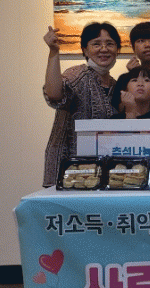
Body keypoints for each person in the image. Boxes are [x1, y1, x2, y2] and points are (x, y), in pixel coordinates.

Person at [43, 22, 121, 187]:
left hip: (100, 170)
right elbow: (54, 94)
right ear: (85, 50)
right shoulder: (77, 75)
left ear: (117, 50)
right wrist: (54, 52)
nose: (104, 49)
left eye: (110, 44)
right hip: (69, 170)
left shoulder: (115, 85)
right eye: (96, 44)